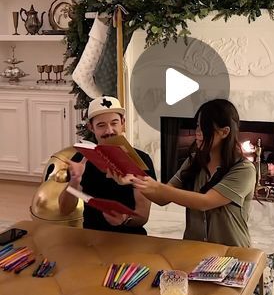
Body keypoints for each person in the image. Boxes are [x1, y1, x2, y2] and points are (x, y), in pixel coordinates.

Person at [131, 99, 256, 247]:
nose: (197, 134)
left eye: (205, 128)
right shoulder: (193, 162)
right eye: (197, 126)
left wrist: (158, 187)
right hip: (194, 249)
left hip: (231, 253)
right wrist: (132, 179)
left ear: (224, 132)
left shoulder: (244, 169)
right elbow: (161, 199)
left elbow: (205, 202)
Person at [59, 96, 155, 234]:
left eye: (114, 123)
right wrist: (75, 181)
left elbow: (143, 216)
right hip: (93, 236)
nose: (109, 131)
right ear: (91, 128)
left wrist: (125, 219)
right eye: (101, 125)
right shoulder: (82, 159)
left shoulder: (141, 160)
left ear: (123, 123)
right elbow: (64, 210)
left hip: (131, 238)